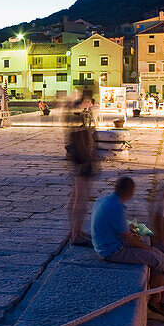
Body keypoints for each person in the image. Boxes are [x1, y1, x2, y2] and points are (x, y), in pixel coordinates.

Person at [91, 176, 164, 319]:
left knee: (159, 255)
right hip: (112, 251)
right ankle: (156, 302)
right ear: (129, 192)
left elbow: (118, 229)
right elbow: (129, 239)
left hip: (105, 244)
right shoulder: (116, 207)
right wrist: (146, 248)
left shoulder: (104, 200)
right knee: (156, 261)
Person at [65, 104, 97, 245]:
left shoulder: (76, 125)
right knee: (80, 199)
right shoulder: (77, 127)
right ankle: (76, 233)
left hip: (82, 161)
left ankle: (76, 231)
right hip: (82, 163)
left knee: (77, 198)